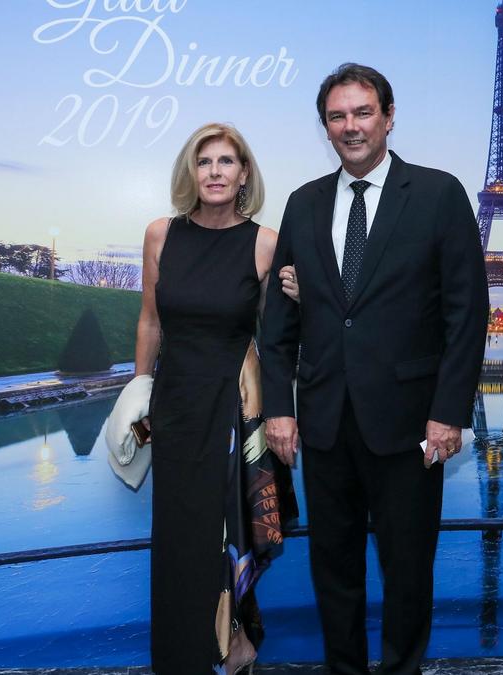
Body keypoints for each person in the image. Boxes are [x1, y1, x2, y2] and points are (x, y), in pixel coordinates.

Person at [261, 63, 488, 675]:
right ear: (325, 128)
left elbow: (467, 316)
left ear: (388, 117)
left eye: (363, 112)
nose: (351, 126)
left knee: (407, 569)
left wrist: (448, 414)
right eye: (337, 116)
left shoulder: (439, 194)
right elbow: (278, 324)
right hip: (325, 423)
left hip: (410, 423)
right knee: (333, 570)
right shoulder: (303, 203)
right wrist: (279, 407)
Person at [132, 122, 298, 674]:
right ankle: (179, 660)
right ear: (191, 172)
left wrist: (302, 297)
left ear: (244, 173)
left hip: (232, 413)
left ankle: (234, 645)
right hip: (175, 408)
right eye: (204, 162)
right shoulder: (161, 234)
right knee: (178, 540)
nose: (215, 172)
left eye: (226, 162)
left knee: (226, 532)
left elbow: (279, 338)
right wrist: (138, 392)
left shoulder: (265, 242)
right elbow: (150, 321)